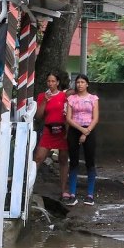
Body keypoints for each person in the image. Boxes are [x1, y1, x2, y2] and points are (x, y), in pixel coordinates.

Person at [33, 71, 70, 201]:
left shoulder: (64, 96)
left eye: (53, 81)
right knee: (38, 158)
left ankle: (64, 189)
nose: (51, 83)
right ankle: (29, 187)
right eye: (49, 81)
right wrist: (44, 101)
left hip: (62, 130)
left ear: (58, 82)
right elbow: (38, 116)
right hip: (49, 130)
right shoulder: (42, 96)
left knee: (63, 160)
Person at [64, 74, 99, 206]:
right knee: (73, 161)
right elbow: (68, 118)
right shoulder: (71, 98)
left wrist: (86, 131)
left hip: (89, 130)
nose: (79, 84)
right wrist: (81, 130)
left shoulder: (93, 98)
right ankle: (72, 194)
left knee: (90, 161)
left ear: (87, 84)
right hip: (74, 129)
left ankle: (90, 194)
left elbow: (95, 118)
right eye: (78, 82)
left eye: (82, 82)